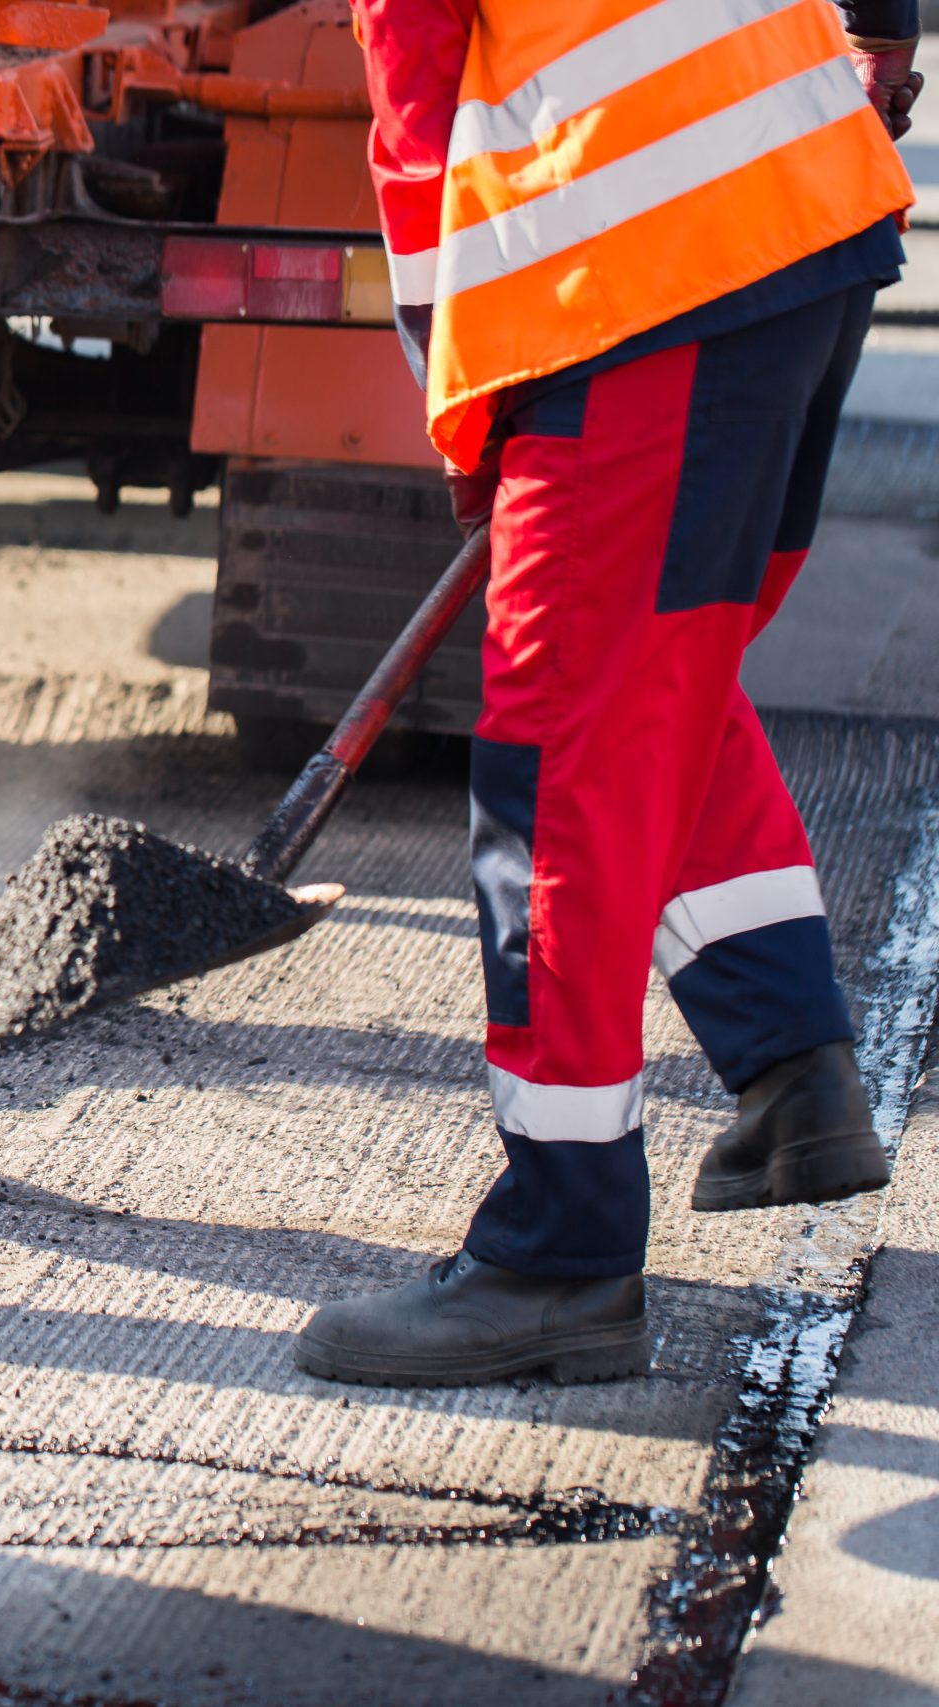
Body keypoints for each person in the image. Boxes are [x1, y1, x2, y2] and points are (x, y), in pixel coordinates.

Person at [300, 0, 921, 1386]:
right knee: (658, 692)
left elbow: (413, 76)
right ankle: (795, 1076)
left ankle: (558, 1254)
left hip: (648, 277)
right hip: (802, 220)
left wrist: (455, 388)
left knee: (556, 771)